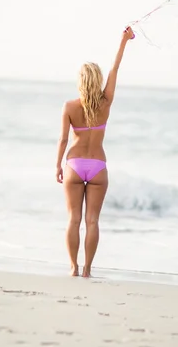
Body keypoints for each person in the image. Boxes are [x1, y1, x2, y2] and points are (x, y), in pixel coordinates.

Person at [56, 26, 135, 277]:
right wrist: (124, 41)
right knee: (92, 221)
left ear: (80, 81)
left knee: (73, 220)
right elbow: (115, 69)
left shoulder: (69, 106)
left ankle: (73, 268)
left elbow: (62, 139)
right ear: (97, 81)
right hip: (98, 166)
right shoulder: (105, 102)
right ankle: (88, 269)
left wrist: (58, 165)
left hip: (74, 165)